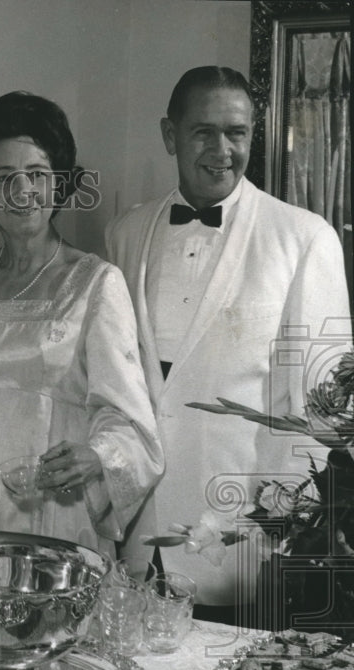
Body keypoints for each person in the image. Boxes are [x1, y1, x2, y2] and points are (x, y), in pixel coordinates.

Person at [106, 66, 352, 623]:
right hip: (136, 543)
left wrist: (280, 530)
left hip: (240, 543)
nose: (223, 149)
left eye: (237, 133)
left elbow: (324, 414)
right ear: (170, 135)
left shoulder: (304, 238)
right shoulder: (125, 233)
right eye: (203, 132)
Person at [0, 91, 163, 556]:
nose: (23, 192)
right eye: (4, 177)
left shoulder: (97, 282)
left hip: (59, 503)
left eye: (37, 174)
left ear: (60, 183)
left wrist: (98, 456)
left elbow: (129, 419)